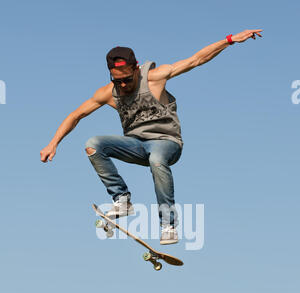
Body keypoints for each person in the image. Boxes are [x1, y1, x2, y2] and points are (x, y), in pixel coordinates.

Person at [40, 29, 262, 244]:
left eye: (127, 79)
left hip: (168, 143)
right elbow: (76, 115)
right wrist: (53, 143)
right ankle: (122, 200)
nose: (124, 85)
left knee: (157, 159)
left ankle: (168, 225)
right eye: (118, 81)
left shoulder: (156, 78)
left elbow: (196, 60)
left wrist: (230, 40)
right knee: (93, 144)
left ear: (136, 69)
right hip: (136, 145)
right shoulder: (108, 92)